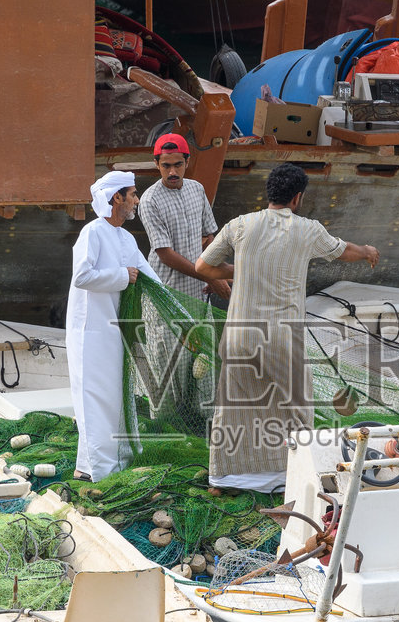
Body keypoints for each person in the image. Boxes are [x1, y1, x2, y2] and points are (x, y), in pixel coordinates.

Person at [195, 163, 380, 492]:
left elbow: (203, 266)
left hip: (239, 335)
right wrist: (367, 251)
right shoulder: (307, 229)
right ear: (297, 198)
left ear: (269, 194)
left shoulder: (240, 225)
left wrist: (242, 272)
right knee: (296, 405)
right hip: (281, 337)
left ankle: (222, 478)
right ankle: (295, 477)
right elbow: (344, 251)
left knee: (235, 404)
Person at [66, 170, 156, 482]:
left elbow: (149, 278)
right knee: (94, 398)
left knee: (115, 396)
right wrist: (121, 276)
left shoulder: (126, 238)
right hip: (89, 332)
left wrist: (183, 312)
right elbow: (81, 277)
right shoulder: (92, 233)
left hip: (114, 330)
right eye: (132, 194)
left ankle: (91, 465)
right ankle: (102, 471)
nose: (136, 200)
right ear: (116, 197)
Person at [137, 132, 230, 304]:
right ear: (156, 164)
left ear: (188, 162)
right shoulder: (150, 200)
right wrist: (209, 277)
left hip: (198, 290)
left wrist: (214, 272)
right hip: (167, 293)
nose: (172, 172)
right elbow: (165, 254)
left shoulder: (196, 189)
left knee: (201, 331)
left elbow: (209, 237)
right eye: (166, 166)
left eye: (178, 164)